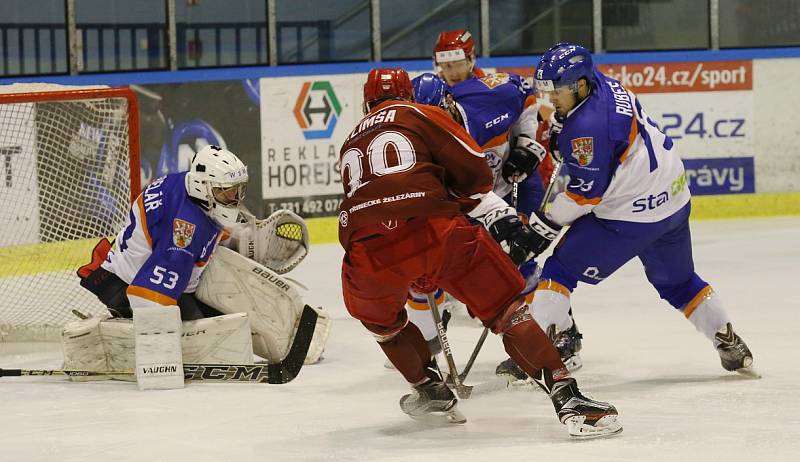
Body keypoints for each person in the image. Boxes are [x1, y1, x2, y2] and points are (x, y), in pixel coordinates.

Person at [338, 67, 622, 438]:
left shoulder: (349, 142)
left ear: (365, 102)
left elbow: (360, 205)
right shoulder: (422, 113)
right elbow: (476, 177)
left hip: (367, 250)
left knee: (383, 324)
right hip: (435, 232)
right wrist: (481, 211)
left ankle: (429, 390)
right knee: (507, 309)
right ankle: (570, 400)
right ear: (408, 95)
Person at [524, 42, 756, 377]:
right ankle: (729, 342)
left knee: (559, 271)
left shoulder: (587, 129)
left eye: (557, 92)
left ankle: (533, 357)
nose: (552, 100)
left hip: (630, 217)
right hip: (674, 202)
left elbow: (584, 196)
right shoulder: (602, 84)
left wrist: (543, 223)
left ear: (579, 85)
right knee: (680, 284)